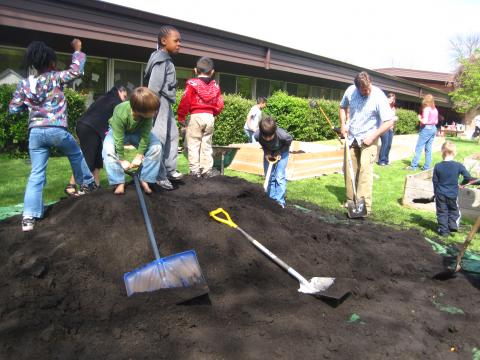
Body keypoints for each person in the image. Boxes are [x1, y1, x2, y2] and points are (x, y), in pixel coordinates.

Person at [9, 39, 97, 232]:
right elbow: (75, 71)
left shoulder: (24, 84)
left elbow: (14, 109)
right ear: (51, 63)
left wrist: (31, 105)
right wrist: (77, 51)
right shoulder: (55, 78)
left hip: (35, 134)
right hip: (56, 129)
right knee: (75, 154)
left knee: (36, 173)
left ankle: (29, 217)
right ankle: (88, 184)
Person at [339, 71, 395, 216]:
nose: (367, 91)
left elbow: (389, 121)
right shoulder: (351, 91)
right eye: (363, 90)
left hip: (369, 139)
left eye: (368, 88)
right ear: (357, 88)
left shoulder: (378, 96)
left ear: (370, 82)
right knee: (349, 170)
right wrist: (343, 125)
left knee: (365, 171)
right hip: (352, 138)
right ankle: (351, 202)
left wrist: (373, 136)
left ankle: (364, 208)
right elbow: (342, 107)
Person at [65, 86, 128, 196]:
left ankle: (96, 185)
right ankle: (72, 186)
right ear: (119, 92)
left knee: (97, 159)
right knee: (88, 158)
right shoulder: (116, 101)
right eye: (124, 96)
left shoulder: (106, 98)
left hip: (90, 128)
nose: (124, 100)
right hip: (89, 128)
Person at [102, 87, 162, 195]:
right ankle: (118, 181)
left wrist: (139, 156)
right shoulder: (120, 111)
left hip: (137, 132)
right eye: (153, 111)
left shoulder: (148, 116)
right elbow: (118, 138)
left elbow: (145, 136)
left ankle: (145, 178)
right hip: (118, 132)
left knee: (156, 146)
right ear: (139, 110)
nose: (155, 112)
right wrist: (122, 159)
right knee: (108, 149)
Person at [145, 25, 183, 191]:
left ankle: (169, 169)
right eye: (176, 41)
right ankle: (159, 176)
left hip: (166, 103)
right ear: (163, 41)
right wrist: (152, 109)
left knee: (173, 135)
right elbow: (154, 87)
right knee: (159, 139)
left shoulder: (165, 59)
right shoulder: (161, 61)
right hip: (159, 103)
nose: (179, 44)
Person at [177, 56, 224, 178]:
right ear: (212, 72)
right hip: (209, 116)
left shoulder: (192, 84)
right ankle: (207, 170)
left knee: (193, 143)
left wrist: (181, 117)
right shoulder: (216, 86)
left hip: (196, 115)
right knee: (207, 144)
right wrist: (213, 113)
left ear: (195, 70)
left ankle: (195, 171)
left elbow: (185, 100)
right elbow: (220, 104)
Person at [433, 141, 473, 237]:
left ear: (442, 152)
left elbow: (435, 181)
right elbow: (468, 177)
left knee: (442, 212)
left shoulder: (438, 166)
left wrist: (436, 193)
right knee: (454, 210)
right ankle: (452, 225)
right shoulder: (458, 166)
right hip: (452, 194)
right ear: (454, 153)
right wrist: (462, 184)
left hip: (440, 194)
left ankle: (444, 231)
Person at [254, 116, 292, 208]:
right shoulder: (257, 135)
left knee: (279, 176)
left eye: (270, 137)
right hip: (269, 153)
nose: (267, 139)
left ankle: (280, 202)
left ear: (274, 132)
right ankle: (271, 199)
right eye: (265, 136)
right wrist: (266, 153)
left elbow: (288, 142)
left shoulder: (283, 136)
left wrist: (279, 152)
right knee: (269, 176)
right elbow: (262, 143)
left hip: (282, 152)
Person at [407, 94, 438, 171]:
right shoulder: (435, 109)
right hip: (433, 128)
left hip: (426, 129)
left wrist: (419, 118)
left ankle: (413, 166)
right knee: (428, 149)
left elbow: (424, 121)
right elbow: (437, 121)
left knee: (419, 148)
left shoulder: (427, 109)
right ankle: (426, 167)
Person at [377, 92, 398, 166]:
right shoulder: (383, 106)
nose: (390, 100)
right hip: (384, 128)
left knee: (389, 145)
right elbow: (382, 118)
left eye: (392, 99)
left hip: (390, 128)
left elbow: (392, 119)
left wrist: (393, 122)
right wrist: (393, 118)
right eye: (389, 98)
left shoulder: (393, 108)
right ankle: (381, 161)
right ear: (387, 98)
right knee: (385, 144)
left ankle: (386, 160)